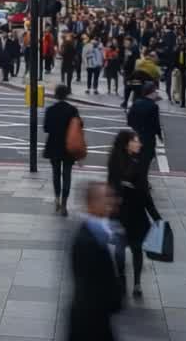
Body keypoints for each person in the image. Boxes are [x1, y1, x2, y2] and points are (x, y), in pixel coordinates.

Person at [106, 130, 161, 300]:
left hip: (120, 214)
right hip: (135, 215)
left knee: (121, 248)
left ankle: (123, 279)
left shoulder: (114, 162)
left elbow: (113, 188)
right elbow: (145, 195)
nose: (139, 144)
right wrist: (156, 216)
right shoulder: (136, 164)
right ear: (127, 144)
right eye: (136, 141)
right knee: (136, 249)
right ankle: (136, 283)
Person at [68, 182, 123, 341]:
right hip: (89, 322)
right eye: (106, 197)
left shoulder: (101, 232)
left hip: (96, 319)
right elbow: (90, 286)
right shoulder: (87, 240)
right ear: (91, 204)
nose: (112, 201)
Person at [43, 83, 80, 216]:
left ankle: (57, 199)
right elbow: (79, 127)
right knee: (67, 175)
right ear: (67, 95)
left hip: (54, 145)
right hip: (69, 147)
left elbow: (46, 128)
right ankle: (64, 204)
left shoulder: (50, 110)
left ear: (56, 95)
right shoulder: (72, 110)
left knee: (56, 173)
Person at [126, 82, 163, 177]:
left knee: (136, 158)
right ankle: (142, 180)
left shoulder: (136, 102)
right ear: (151, 92)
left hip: (136, 136)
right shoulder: (153, 106)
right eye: (156, 91)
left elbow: (129, 120)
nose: (157, 93)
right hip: (148, 138)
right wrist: (159, 135)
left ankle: (133, 177)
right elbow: (155, 124)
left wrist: (136, 128)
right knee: (145, 161)